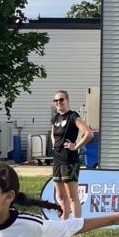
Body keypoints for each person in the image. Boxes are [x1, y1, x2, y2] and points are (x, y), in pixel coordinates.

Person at [50, 90, 93, 220]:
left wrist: (76, 147)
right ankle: (64, 226)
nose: (58, 103)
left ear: (67, 101)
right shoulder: (56, 118)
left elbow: (88, 134)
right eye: (56, 101)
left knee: (72, 196)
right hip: (57, 160)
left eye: (61, 100)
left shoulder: (73, 116)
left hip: (69, 160)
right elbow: (53, 134)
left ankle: (76, 227)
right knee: (61, 197)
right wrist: (54, 145)